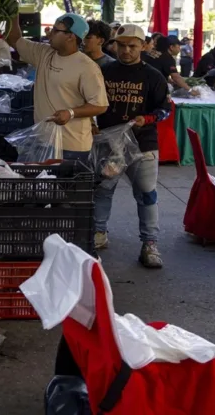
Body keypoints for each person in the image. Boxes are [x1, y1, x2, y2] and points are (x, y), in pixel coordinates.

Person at [93, 24, 169, 268]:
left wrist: (147, 118)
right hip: (109, 144)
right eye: (121, 45)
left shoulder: (154, 76)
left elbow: (165, 109)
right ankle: (98, 234)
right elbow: (90, 101)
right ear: (114, 45)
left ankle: (150, 243)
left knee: (146, 194)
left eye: (132, 46)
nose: (126, 50)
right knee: (103, 190)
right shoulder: (103, 71)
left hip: (143, 145)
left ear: (143, 46)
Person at [4, 10, 108, 161]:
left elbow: (100, 105)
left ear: (71, 36)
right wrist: (12, 10)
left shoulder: (87, 67)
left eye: (55, 30)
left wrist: (70, 113)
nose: (49, 33)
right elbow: (14, 39)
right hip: (43, 141)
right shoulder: (44, 53)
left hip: (71, 147)